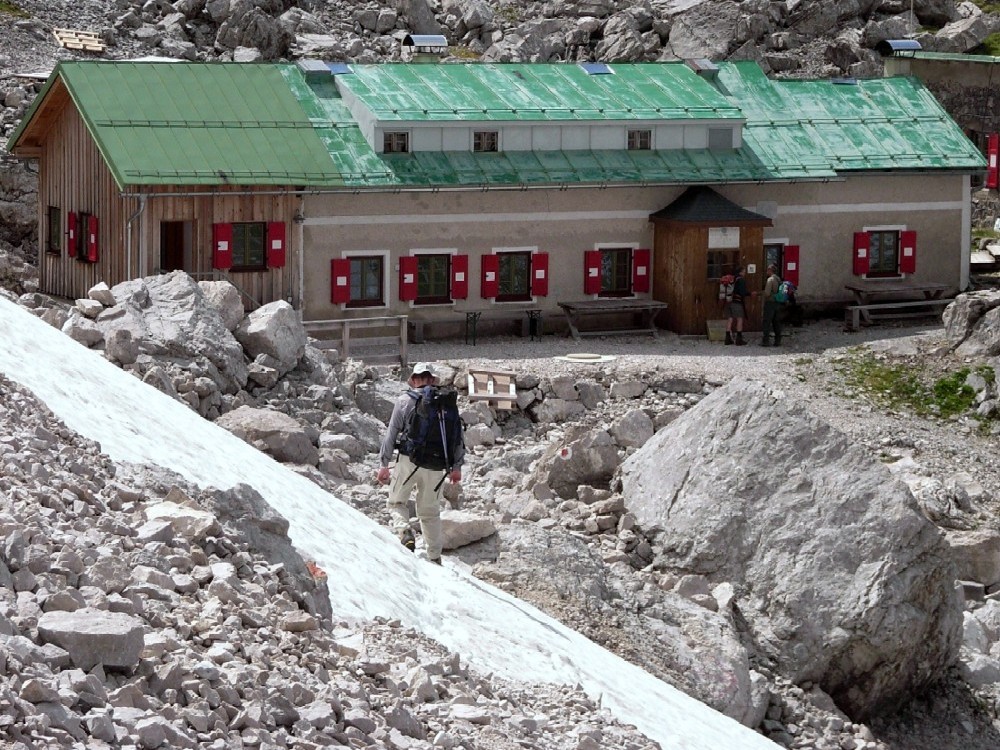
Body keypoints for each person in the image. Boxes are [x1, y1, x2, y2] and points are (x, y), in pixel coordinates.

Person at [376, 362, 463, 564]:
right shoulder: (446, 404)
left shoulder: (404, 400)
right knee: (430, 513)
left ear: (414, 380)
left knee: (397, 502)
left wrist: (383, 464)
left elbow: (391, 434)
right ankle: (434, 557)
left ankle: (405, 531)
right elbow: (458, 437)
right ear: (432, 379)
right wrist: (456, 467)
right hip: (437, 466)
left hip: (408, 460)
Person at [724, 265, 749, 346]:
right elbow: (742, 292)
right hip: (737, 302)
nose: (745, 273)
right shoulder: (741, 280)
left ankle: (727, 339)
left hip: (729, 301)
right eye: (744, 271)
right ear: (741, 272)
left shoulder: (732, 279)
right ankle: (739, 339)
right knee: (739, 319)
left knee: (730, 319)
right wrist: (749, 293)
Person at [761, 263, 783, 347]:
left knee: (767, 321)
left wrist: (762, 293)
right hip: (777, 303)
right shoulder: (778, 279)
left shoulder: (770, 280)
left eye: (767, 270)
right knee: (776, 322)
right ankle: (778, 341)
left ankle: (765, 341)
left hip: (770, 303)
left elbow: (767, 293)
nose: (766, 271)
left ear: (770, 270)